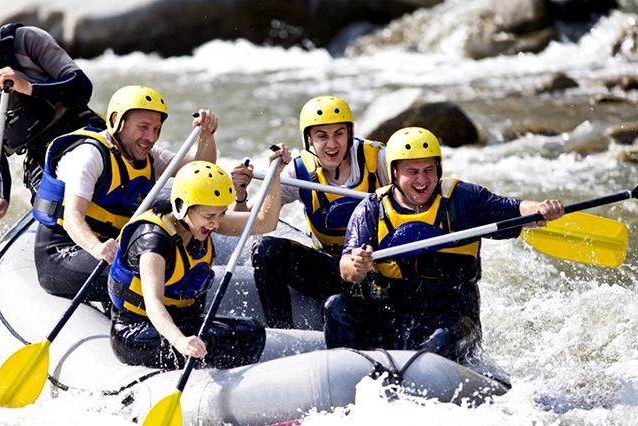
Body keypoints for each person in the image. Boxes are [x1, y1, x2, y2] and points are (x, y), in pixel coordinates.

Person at [323, 127, 565, 363]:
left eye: (429, 170)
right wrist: (357, 264)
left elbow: (517, 210)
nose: (422, 180)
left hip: (452, 318)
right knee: (336, 307)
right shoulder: (372, 209)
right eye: (412, 171)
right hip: (392, 315)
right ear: (394, 172)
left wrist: (541, 209)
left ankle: (422, 369)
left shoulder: (462, 199)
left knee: (439, 341)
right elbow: (347, 269)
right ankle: (352, 369)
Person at [32, 85, 218, 302]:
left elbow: (200, 172)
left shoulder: (149, 156)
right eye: (143, 127)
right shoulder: (89, 155)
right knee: (152, 274)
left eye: (156, 129)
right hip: (63, 253)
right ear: (116, 121)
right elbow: (73, 217)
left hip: (112, 250)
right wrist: (97, 248)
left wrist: (206, 135)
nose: (150, 137)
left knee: (175, 266)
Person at [108, 152, 290, 370]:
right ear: (182, 207)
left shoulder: (201, 221)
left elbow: (265, 222)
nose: (216, 223)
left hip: (182, 322)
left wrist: (274, 175)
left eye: (221, 214)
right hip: (137, 331)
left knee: (251, 332)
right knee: (217, 338)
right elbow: (153, 303)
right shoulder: (153, 241)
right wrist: (180, 341)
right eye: (209, 216)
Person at [0, 0, 105, 228]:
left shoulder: (27, 40)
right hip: (41, 158)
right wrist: (1, 198)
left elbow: (81, 86)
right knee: (52, 219)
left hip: (79, 132)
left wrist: (29, 87)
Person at [232, 95, 390, 329]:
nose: (332, 144)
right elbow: (247, 221)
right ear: (309, 139)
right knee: (266, 250)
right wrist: (240, 193)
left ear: (350, 133)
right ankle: (282, 331)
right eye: (322, 136)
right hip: (332, 269)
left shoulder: (379, 160)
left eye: (339, 133)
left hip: (379, 270)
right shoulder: (299, 171)